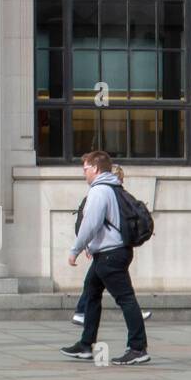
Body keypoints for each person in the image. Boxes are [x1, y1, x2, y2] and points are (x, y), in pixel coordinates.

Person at [61, 151, 150, 365]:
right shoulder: (114, 187)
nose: (84, 174)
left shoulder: (100, 191)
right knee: (91, 294)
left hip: (110, 254)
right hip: (111, 253)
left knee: (126, 299)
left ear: (96, 169)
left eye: (85, 169)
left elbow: (90, 223)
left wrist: (75, 249)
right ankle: (85, 345)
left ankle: (138, 348)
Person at [71, 164, 151, 326]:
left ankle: (85, 337)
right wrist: (80, 248)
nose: (121, 182)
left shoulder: (106, 192)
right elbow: (88, 224)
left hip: (107, 250)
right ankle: (137, 345)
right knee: (124, 297)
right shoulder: (103, 193)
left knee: (94, 289)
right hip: (110, 250)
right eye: (119, 179)